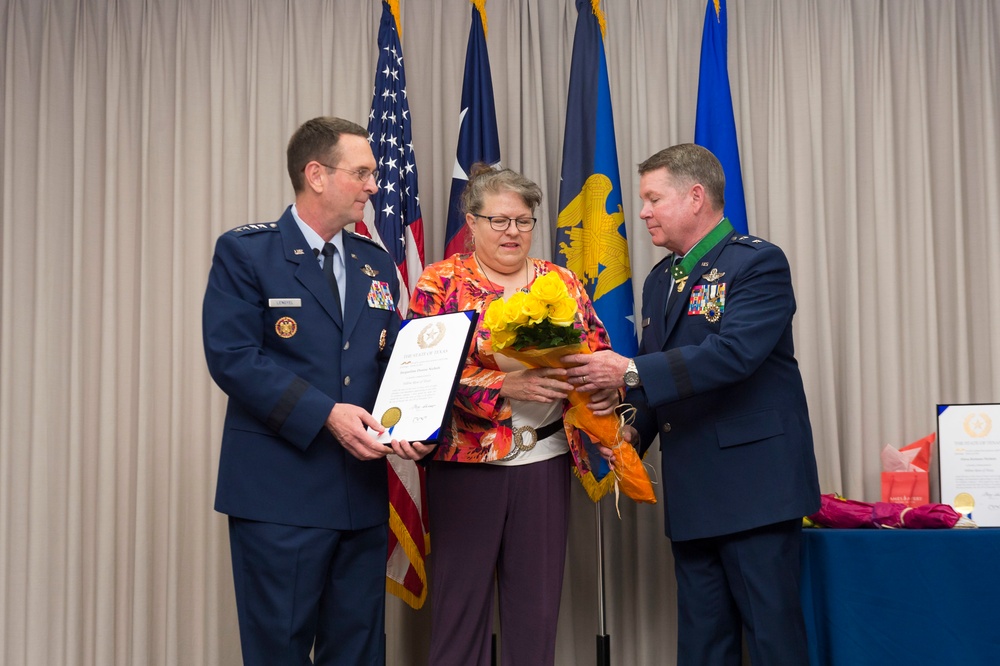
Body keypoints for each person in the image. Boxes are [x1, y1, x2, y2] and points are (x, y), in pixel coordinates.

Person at [564, 144, 821, 666]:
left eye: (653, 199)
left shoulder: (758, 263)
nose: (642, 212)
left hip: (755, 490)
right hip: (693, 492)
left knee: (774, 640)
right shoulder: (662, 278)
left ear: (696, 196)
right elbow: (667, 373)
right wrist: (635, 432)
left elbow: (733, 355)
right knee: (703, 646)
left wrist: (628, 370)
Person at [202, 116, 433, 665]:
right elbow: (233, 358)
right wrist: (326, 413)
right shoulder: (247, 253)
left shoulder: (375, 260)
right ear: (317, 175)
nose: (375, 185)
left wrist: (412, 423)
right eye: (363, 173)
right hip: (280, 494)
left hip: (360, 496)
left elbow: (388, 362)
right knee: (278, 650)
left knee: (357, 653)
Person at [408, 165, 619, 666]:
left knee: (536, 615)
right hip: (466, 466)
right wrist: (505, 384)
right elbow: (419, 378)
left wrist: (602, 391)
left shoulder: (560, 280)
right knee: (460, 615)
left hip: (545, 460)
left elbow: (598, 351)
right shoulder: (442, 282)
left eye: (523, 222)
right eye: (499, 221)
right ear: (472, 221)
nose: (512, 233)